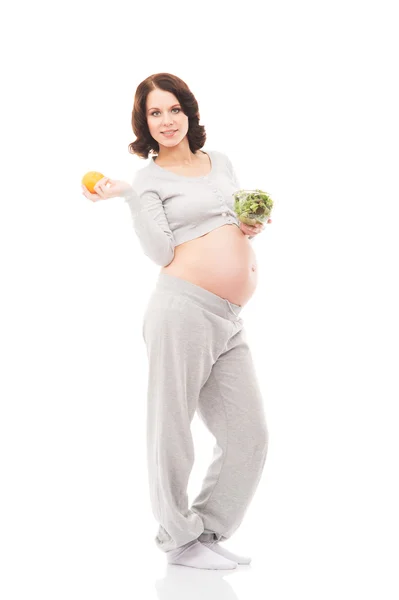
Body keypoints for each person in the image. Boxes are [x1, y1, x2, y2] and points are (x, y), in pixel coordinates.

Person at [81, 73, 272, 570]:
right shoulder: (149, 179)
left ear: (189, 112)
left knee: (249, 435)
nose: (166, 120)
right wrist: (129, 197)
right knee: (172, 428)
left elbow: (230, 222)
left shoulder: (221, 162)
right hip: (181, 310)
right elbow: (160, 251)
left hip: (230, 318)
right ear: (144, 123)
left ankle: (205, 533)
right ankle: (178, 539)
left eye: (173, 109)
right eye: (154, 113)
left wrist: (249, 225)